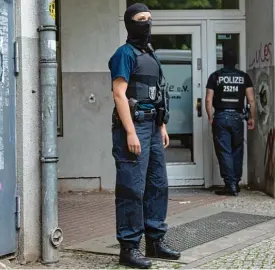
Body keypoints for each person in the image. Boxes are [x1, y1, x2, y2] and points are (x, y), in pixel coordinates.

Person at [108, 3, 180, 269]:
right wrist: (130, 132)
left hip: (152, 127)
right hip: (134, 127)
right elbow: (119, 94)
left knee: (158, 186)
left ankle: (155, 242)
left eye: (150, 19)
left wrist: (161, 126)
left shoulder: (150, 54)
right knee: (131, 189)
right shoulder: (124, 54)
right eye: (141, 19)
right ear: (130, 23)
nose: (147, 23)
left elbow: (158, 92)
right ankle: (129, 248)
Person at [205, 49, 256, 196]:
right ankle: (236, 182)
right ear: (236, 62)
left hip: (221, 116)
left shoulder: (215, 76)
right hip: (237, 118)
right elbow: (251, 100)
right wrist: (252, 118)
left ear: (222, 60)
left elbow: (208, 99)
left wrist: (210, 116)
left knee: (224, 151)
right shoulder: (243, 77)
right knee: (237, 150)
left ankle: (230, 185)